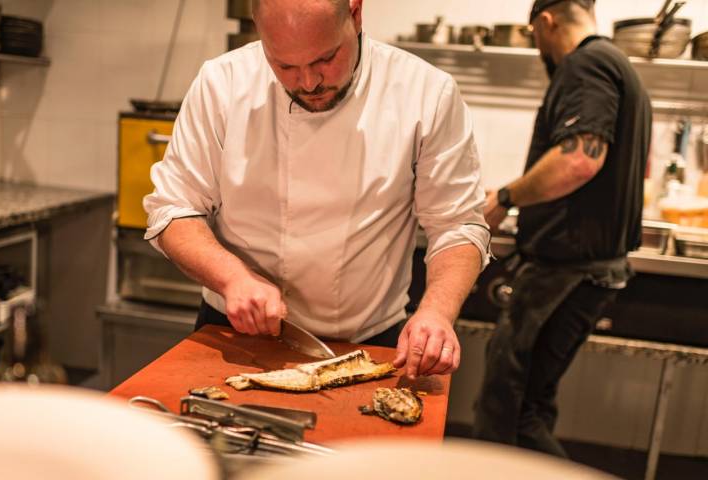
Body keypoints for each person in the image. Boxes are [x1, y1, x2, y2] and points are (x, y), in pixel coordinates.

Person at [143, 0, 490, 380]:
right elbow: (173, 211)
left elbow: (457, 226)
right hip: (235, 334)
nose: (308, 83)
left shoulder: (425, 92)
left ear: (355, 14)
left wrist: (437, 311)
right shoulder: (221, 83)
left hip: (369, 342)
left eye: (326, 59)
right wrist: (232, 278)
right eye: (285, 66)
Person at [473, 0, 651, 457]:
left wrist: (505, 197)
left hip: (564, 272)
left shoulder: (585, 64)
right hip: (587, 270)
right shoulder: (619, 67)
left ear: (546, 22)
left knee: (508, 416)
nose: (538, 46)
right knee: (529, 407)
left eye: (534, 34)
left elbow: (578, 160)